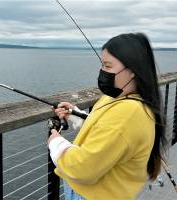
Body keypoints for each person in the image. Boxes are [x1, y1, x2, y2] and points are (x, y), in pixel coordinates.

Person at [47, 33, 168, 200]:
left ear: (133, 70)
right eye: (102, 65)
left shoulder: (128, 113)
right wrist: (76, 115)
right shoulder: (120, 97)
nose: (102, 71)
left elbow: (83, 169)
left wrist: (55, 142)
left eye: (108, 66)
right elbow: (110, 132)